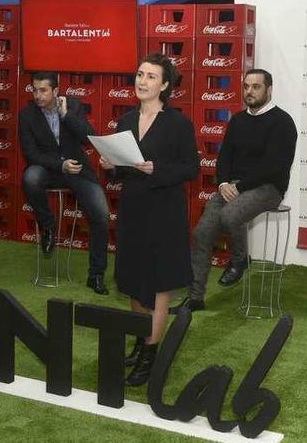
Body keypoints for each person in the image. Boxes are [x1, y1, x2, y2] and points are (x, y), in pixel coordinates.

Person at [100, 53, 199, 386]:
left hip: (164, 214)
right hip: (133, 210)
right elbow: (122, 169)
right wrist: (111, 164)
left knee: (157, 287)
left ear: (166, 85)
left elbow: (191, 169)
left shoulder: (179, 124)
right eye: (140, 74)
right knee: (131, 281)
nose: (142, 81)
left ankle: (150, 356)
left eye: (151, 77)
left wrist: (158, 169)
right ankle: (141, 340)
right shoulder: (125, 120)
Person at [170, 69, 297, 314]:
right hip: (233, 187)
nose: (249, 91)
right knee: (202, 232)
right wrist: (223, 183)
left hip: (268, 188)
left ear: (269, 90)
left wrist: (239, 187)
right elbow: (224, 156)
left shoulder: (282, 122)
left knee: (230, 216)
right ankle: (195, 297)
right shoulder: (237, 120)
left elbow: (273, 166)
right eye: (246, 86)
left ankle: (240, 259)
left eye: (256, 87)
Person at [18, 71, 111, 295]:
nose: (37, 95)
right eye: (34, 90)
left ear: (55, 91)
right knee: (30, 176)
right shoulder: (27, 115)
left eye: (43, 90)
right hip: (49, 169)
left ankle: (96, 275)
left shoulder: (74, 106)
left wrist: (66, 115)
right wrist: (60, 165)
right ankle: (47, 226)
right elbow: (31, 154)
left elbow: (88, 137)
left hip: (78, 170)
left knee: (101, 215)